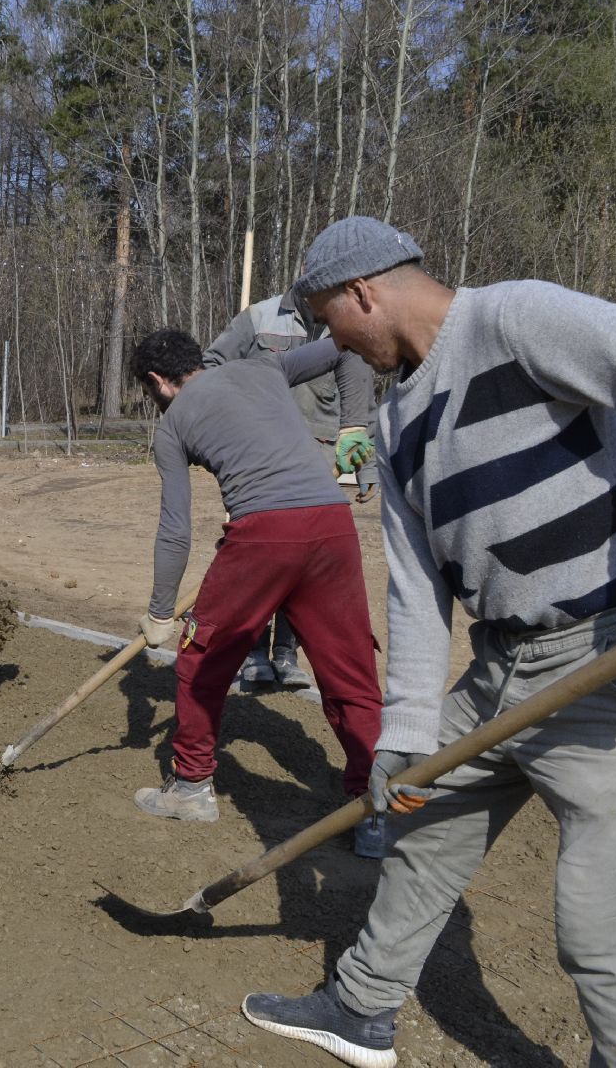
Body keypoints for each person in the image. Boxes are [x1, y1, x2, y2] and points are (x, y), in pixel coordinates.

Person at [242, 216, 616, 1068]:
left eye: (327, 320)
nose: (330, 341)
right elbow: (416, 592)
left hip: (611, 661)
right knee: (428, 824)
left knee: (607, 922)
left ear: (363, 292)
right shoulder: (394, 428)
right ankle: (361, 1006)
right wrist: (407, 736)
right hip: (502, 667)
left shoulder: (515, 321)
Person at [131, 327, 387, 859]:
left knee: (199, 663)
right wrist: (353, 423)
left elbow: (175, 530)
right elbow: (342, 342)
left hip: (264, 535)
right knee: (350, 674)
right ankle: (377, 811)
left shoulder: (172, 425)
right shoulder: (265, 367)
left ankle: (192, 788)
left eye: (149, 391)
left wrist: (160, 613)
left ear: (158, 380)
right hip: (334, 527)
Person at [204, 290, 380, 691]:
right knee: (258, 556)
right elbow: (211, 366)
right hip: (258, 457)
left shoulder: (344, 323)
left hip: (318, 460)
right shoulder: (259, 318)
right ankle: (251, 653)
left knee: (303, 559)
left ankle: (286, 653)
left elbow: (359, 399)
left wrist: (366, 464)